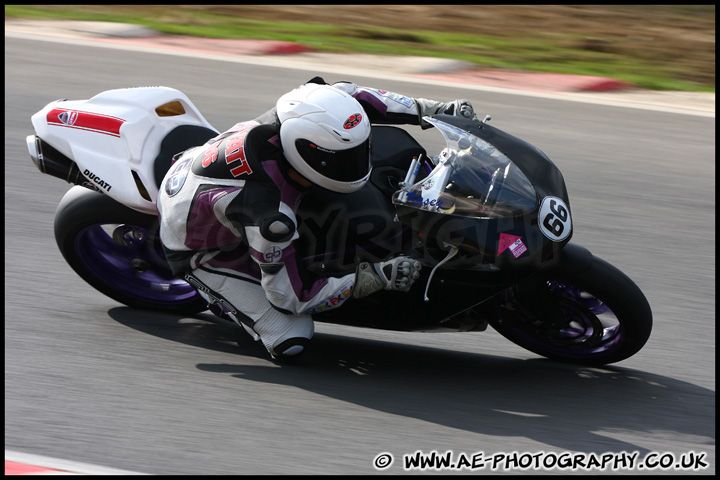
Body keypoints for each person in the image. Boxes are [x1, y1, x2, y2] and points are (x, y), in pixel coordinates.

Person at [156, 77, 475, 362]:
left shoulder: (307, 109)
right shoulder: (271, 218)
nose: (359, 161)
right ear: (305, 152)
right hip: (207, 247)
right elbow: (292, 296)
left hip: (217, 177)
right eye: (345, 160)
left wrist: (433, 111)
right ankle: (220, 294)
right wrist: (376, 277)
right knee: (290, 338)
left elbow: (357, 96)